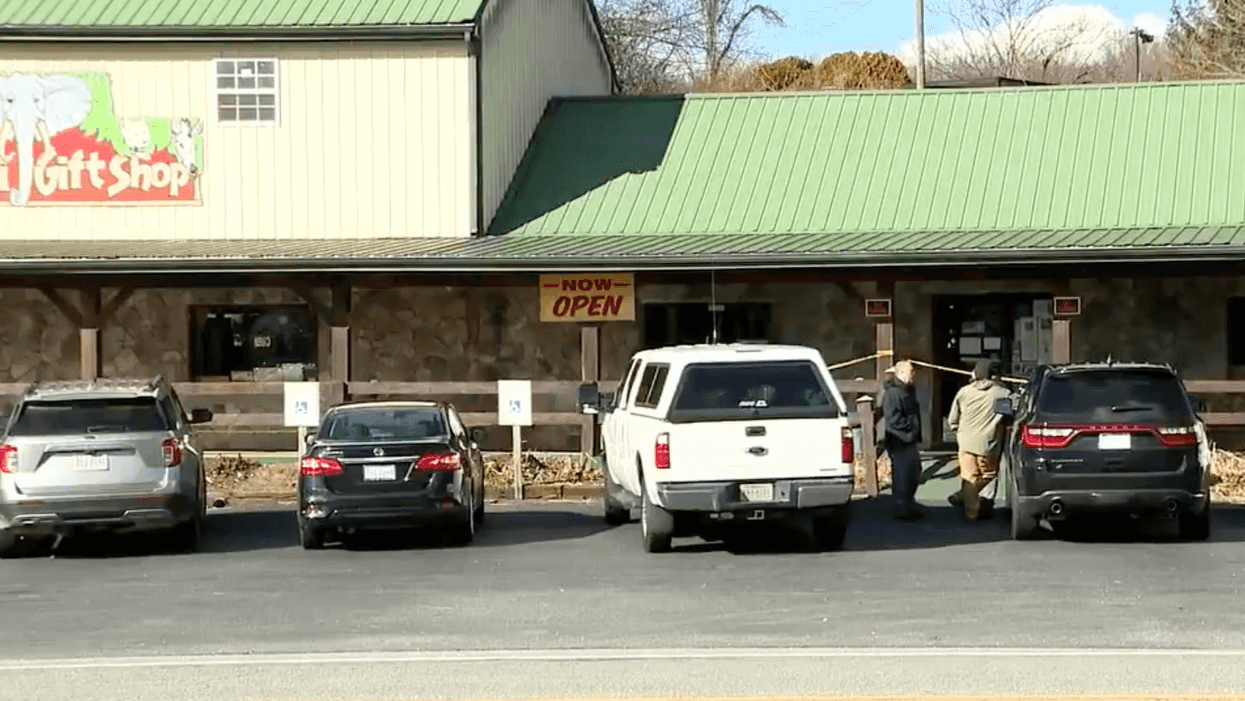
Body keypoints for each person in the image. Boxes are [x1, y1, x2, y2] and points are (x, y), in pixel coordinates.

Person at [947, 359, 1011, 521]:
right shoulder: (1001, 394)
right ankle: (974, 500)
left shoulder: (964, 392)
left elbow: (952, 420)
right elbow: (1007, 417)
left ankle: (971, 512)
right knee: (989, 474)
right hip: (988, 445)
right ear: (994, 376)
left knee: (969, 477)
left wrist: (959, 433)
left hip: (965, 443)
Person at [882, 359, 924, 521]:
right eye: (910, 372)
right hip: (900, 440)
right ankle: (901, 509)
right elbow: (893, 418)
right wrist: (910, 426)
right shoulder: (893, 393)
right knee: (902, 476)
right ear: (900, 373)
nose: (913, 375)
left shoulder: (908, 390)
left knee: (914, 473)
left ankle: (908, 505)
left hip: (909, 439)